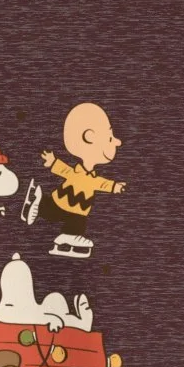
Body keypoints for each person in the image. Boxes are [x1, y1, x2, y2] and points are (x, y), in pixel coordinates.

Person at [28, 101, 126, 259]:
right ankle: (39, 204)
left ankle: (47, 213)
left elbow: (101, 183)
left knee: (73, 219)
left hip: (77, 210)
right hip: (65, 203)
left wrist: (115, 186)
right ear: (90, 137)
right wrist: (53, 162)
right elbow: (67, 171)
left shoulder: (91, 177)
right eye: (110, 138)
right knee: (58, 212)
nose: (118, 142)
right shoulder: (79, 174)